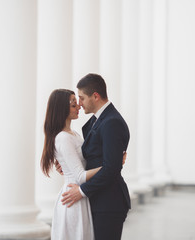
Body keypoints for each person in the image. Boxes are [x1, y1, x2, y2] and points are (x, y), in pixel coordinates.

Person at [59, 73, 131, 240]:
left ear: (96, 96)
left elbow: (111, 167)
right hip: (99, 200)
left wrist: (81, 191)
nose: (79, 103)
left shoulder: (111, 122)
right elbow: (96, 158)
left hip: (108, 203)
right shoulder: (99, 120)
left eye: (82, 98)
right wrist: (68, 165)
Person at [41, 89, 102, 240]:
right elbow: (80, 176)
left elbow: (79, 163)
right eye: (74, 104)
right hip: (72, 199)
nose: (79, 107)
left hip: (79, 196)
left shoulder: (74, 134)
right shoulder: (63, 138)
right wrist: (108, 166)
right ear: (62, 108)